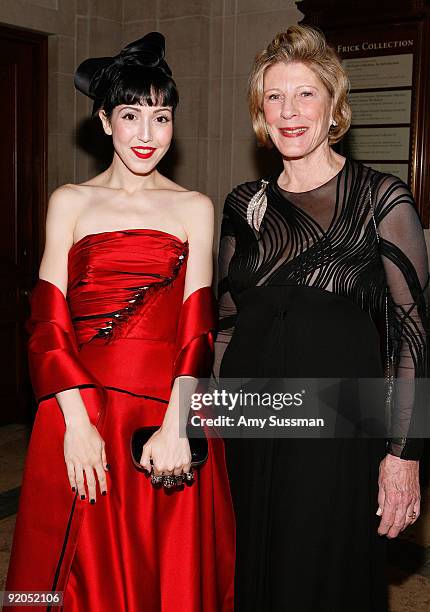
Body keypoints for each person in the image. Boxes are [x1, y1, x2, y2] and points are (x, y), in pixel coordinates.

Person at [6, 32, 235, 612]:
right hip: (78, 406)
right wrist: (77, 423)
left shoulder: (195, 207)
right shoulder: (71, 202)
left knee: (167, 567)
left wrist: (178, 426)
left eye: (161, 117)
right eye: (131, 116)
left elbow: (197, 330)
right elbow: (47, 319)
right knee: (71, 574)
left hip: (168, 410)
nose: (146, 134)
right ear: (105, 121)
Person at [214, 25, 428, 612]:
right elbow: (227, 323)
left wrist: (404, 457)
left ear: (334, 106)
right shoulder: (244, 204)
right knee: (255, 567)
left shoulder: (382, 198)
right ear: (260, 110)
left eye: (305, 94)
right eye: (274, 97)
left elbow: (412, 335)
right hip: (250, 422)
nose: (289, 112)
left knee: (319, 573)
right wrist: (203, 424)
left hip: (338, 426)